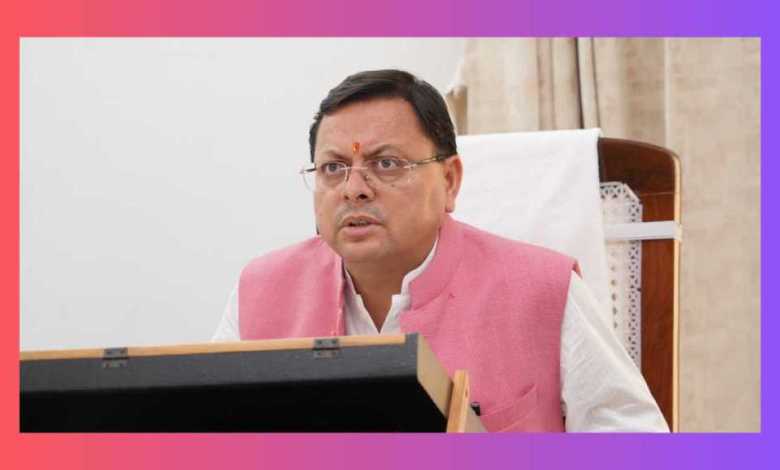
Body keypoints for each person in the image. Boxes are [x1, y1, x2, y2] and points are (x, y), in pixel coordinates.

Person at [213, 69, 668, 432]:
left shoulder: (545, 291)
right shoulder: (261, 291)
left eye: (385, 164)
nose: (353, 189)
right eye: (333, 168)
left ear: (449, 181)